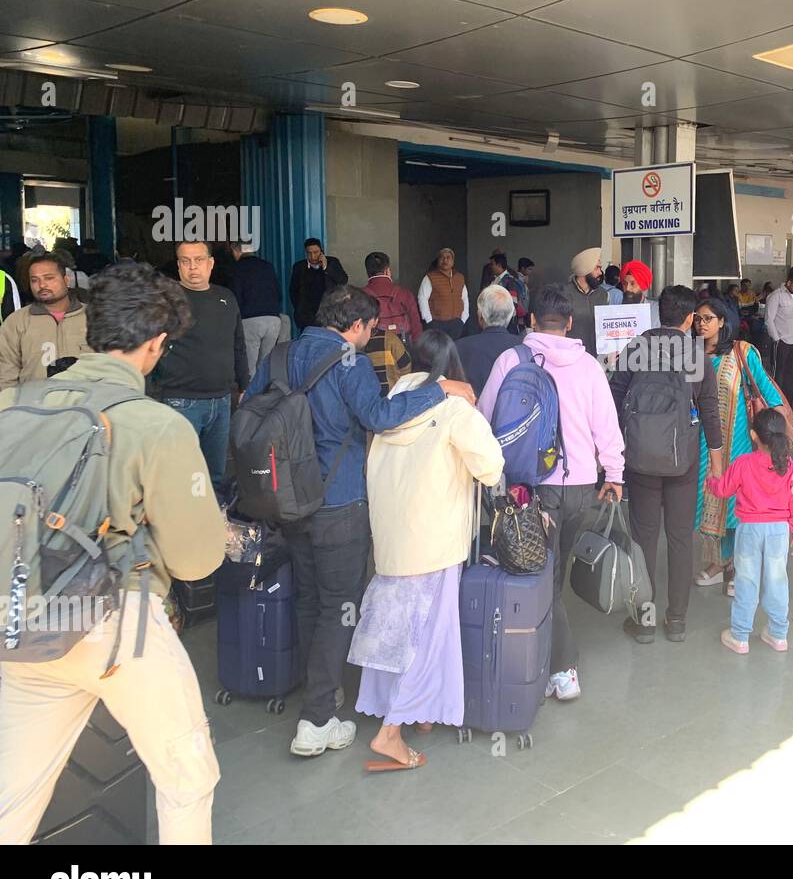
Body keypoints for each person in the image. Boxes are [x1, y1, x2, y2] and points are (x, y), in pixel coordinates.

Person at [0, 262, 227, 843]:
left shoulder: (14, 406)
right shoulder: (155, 425)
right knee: (187, 774)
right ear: (155, 345)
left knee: (12, 796)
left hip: (20, 616)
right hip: (115, 626)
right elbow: (199, 559)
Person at [242, 285, 476, 758]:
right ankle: (317, 719)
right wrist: (438, 389)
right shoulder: (349, 362)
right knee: (337, 607)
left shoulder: (280, 355)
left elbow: (249, 403)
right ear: (356, 327)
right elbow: (381, 416)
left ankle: (320, 694)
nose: (369, 337)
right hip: (338, 503)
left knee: (310, 599)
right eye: (369, 330)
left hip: (288, 501)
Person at [350, 331, 504, 771]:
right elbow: (491, 467)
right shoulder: (455, 408)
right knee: (425, 638)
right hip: (435, 542)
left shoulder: (389, 407)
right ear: (451, 366)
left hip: (392, 540)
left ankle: (411, 716)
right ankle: (390, 734)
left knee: (392, 629)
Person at [478, 284, 625, 694]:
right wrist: (614, 473)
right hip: (580, 487)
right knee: (552, 571)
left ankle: (561, 667)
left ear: (530, 321)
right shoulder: (590, 366)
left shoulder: (511, 359)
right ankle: (549, 659)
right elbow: (607, 428)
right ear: (571, 323)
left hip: (531, 489)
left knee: (542, 574)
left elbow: (484, 418)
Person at [610, 286, 725, 643]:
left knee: (643, 539)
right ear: (690, 318)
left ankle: (644, 622)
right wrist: (717, 462)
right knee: (679, 538)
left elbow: (613, 395)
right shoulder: (695, 355)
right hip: (683, 459)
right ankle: (676, 621)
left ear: (659, 313)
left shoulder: (637, 347)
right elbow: (708, 409)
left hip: (640, 458)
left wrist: (616, 450)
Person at [692, 296, 792, 593]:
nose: (701, 323)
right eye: (698, 318)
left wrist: (782, 429)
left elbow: (769, 394)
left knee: (735, 504)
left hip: (737, 444)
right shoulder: (692, 355)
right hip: (702, 445)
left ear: (723, 322)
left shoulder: (742, 352)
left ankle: (738, 565)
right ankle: (720, 561)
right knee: (709, 500)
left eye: (708, 318)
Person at [708, 409, 793, 655]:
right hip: (779, 532)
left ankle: (740, 636)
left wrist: (710, 480)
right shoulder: (791, 467)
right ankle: (778, 634)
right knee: (777, 581)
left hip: (750, 530)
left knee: (746, 581)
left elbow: (722, 490)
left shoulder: (743, 463)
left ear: (754, 435)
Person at [152, 240, 248, 485]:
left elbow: (238, 343)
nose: (193, 267)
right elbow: (148, 347)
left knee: (215, 475)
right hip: (180, 401)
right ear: (178, 265)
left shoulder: (226, 298)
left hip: (222, 400)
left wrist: (244, 384)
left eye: (199, 260)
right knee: (179, 475)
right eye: (186, 261)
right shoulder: (166, 302)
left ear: (211, 263)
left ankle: (213, 519)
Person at [0, 251, 91, 390]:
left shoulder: (93, 318)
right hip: (33, 407)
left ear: (66, 280)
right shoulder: (16, 322)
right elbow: (6, 377)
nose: (42, 285)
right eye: (34, 280)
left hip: (86, 406)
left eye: (49, 278)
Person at [230, 240, 283, 380]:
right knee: (266, 364)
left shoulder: (237, 268)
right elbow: (278, 293)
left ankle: (251, 398)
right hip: (273, 320)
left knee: (249, 366)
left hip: (250, 320)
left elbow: (235, 296)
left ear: (236, 251)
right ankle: (266, 397)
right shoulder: (268, 266)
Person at [455, 285, 519, 396]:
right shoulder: (524, 347)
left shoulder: (459, 347)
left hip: (471, 411)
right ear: (510, 316)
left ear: (480, 317)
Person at [767, 268, 793, 402]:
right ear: (789, 282)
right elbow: (769, 320)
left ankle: (792, 403)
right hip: (782, 341)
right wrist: (777, 339)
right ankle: (777, 403)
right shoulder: (776, 296)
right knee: (779, 374)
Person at [290, 237, 348, 332]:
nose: (313, 256)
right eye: (309, 253)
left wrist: (326, 267)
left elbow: (343, 280)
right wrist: (300, 308)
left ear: (321, 251)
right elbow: (293, 291)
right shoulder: (299, 267)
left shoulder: (332, 262)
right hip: (308, 317)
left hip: (330, 315)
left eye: (316, 252)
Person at [363, 251, 422, 342]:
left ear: (367, 272)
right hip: (403, 347)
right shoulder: (405, 294)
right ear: (387, 271)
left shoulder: (360, 296)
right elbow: (416, 326)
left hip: (373, 350)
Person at [564, 248, 608, 357]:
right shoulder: (564, 294)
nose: (600, 273)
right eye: (597, 268)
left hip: (598, 357)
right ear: (585, 270)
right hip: (572, 356)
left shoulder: (603, 294)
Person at [418, 248, 469, 340]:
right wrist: (429, 320)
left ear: (453, 261)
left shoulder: (459, 277)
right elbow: (422, 298)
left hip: (456, 323)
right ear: (438, 261)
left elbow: (464, 298)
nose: (445, 260)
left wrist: (463, 318)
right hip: (436, 323)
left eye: (448, 257)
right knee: (438, 351)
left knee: (454, 351)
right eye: (442, 257)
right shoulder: (430, 277)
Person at [619, 259, 659, 328]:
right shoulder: (616, 312)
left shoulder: (657, 311)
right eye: (625, 284)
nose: (628, 288)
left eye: (632, 284)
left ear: (642, 285)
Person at [515, 257, 534, 328]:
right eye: (529, 269)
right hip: (520, 314)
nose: (530, 271)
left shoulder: (524, 280)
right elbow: (520, 297)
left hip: (523, 312)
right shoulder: (517, 281)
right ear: (522, 268)